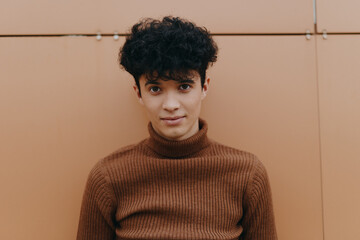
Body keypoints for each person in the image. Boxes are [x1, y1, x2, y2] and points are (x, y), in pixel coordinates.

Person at [77, 16, 277, 240]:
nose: (171, 105)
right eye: (155, 89)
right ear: (138, 93)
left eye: (184, 86)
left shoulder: (247, 174)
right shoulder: (108, 177)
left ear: (204, 87)